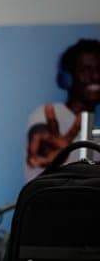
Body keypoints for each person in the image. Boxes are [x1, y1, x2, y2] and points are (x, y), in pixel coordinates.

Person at [25, 37, 100, 181]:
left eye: (99, 69)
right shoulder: (46, 114)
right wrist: (46, 147)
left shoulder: (95, 127)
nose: (96, 76)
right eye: (86, 70)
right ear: (67, 78)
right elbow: (39, 133)